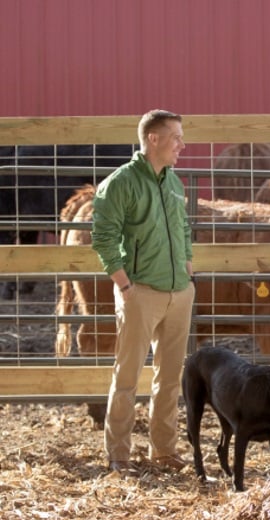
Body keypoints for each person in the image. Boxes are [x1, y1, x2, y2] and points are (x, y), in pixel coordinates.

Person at [91, 109, 195, 475]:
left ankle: (163, 451)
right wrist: (124, 284)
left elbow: (183, 228)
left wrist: (188, 268)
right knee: (127, 377)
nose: (182, 144)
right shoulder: (120, 183)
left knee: (169, 378)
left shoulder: (173, 182)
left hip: (179, 293)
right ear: (154, 138)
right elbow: (103, 238)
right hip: (141, 293)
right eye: (176, 137)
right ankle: (118, 454)